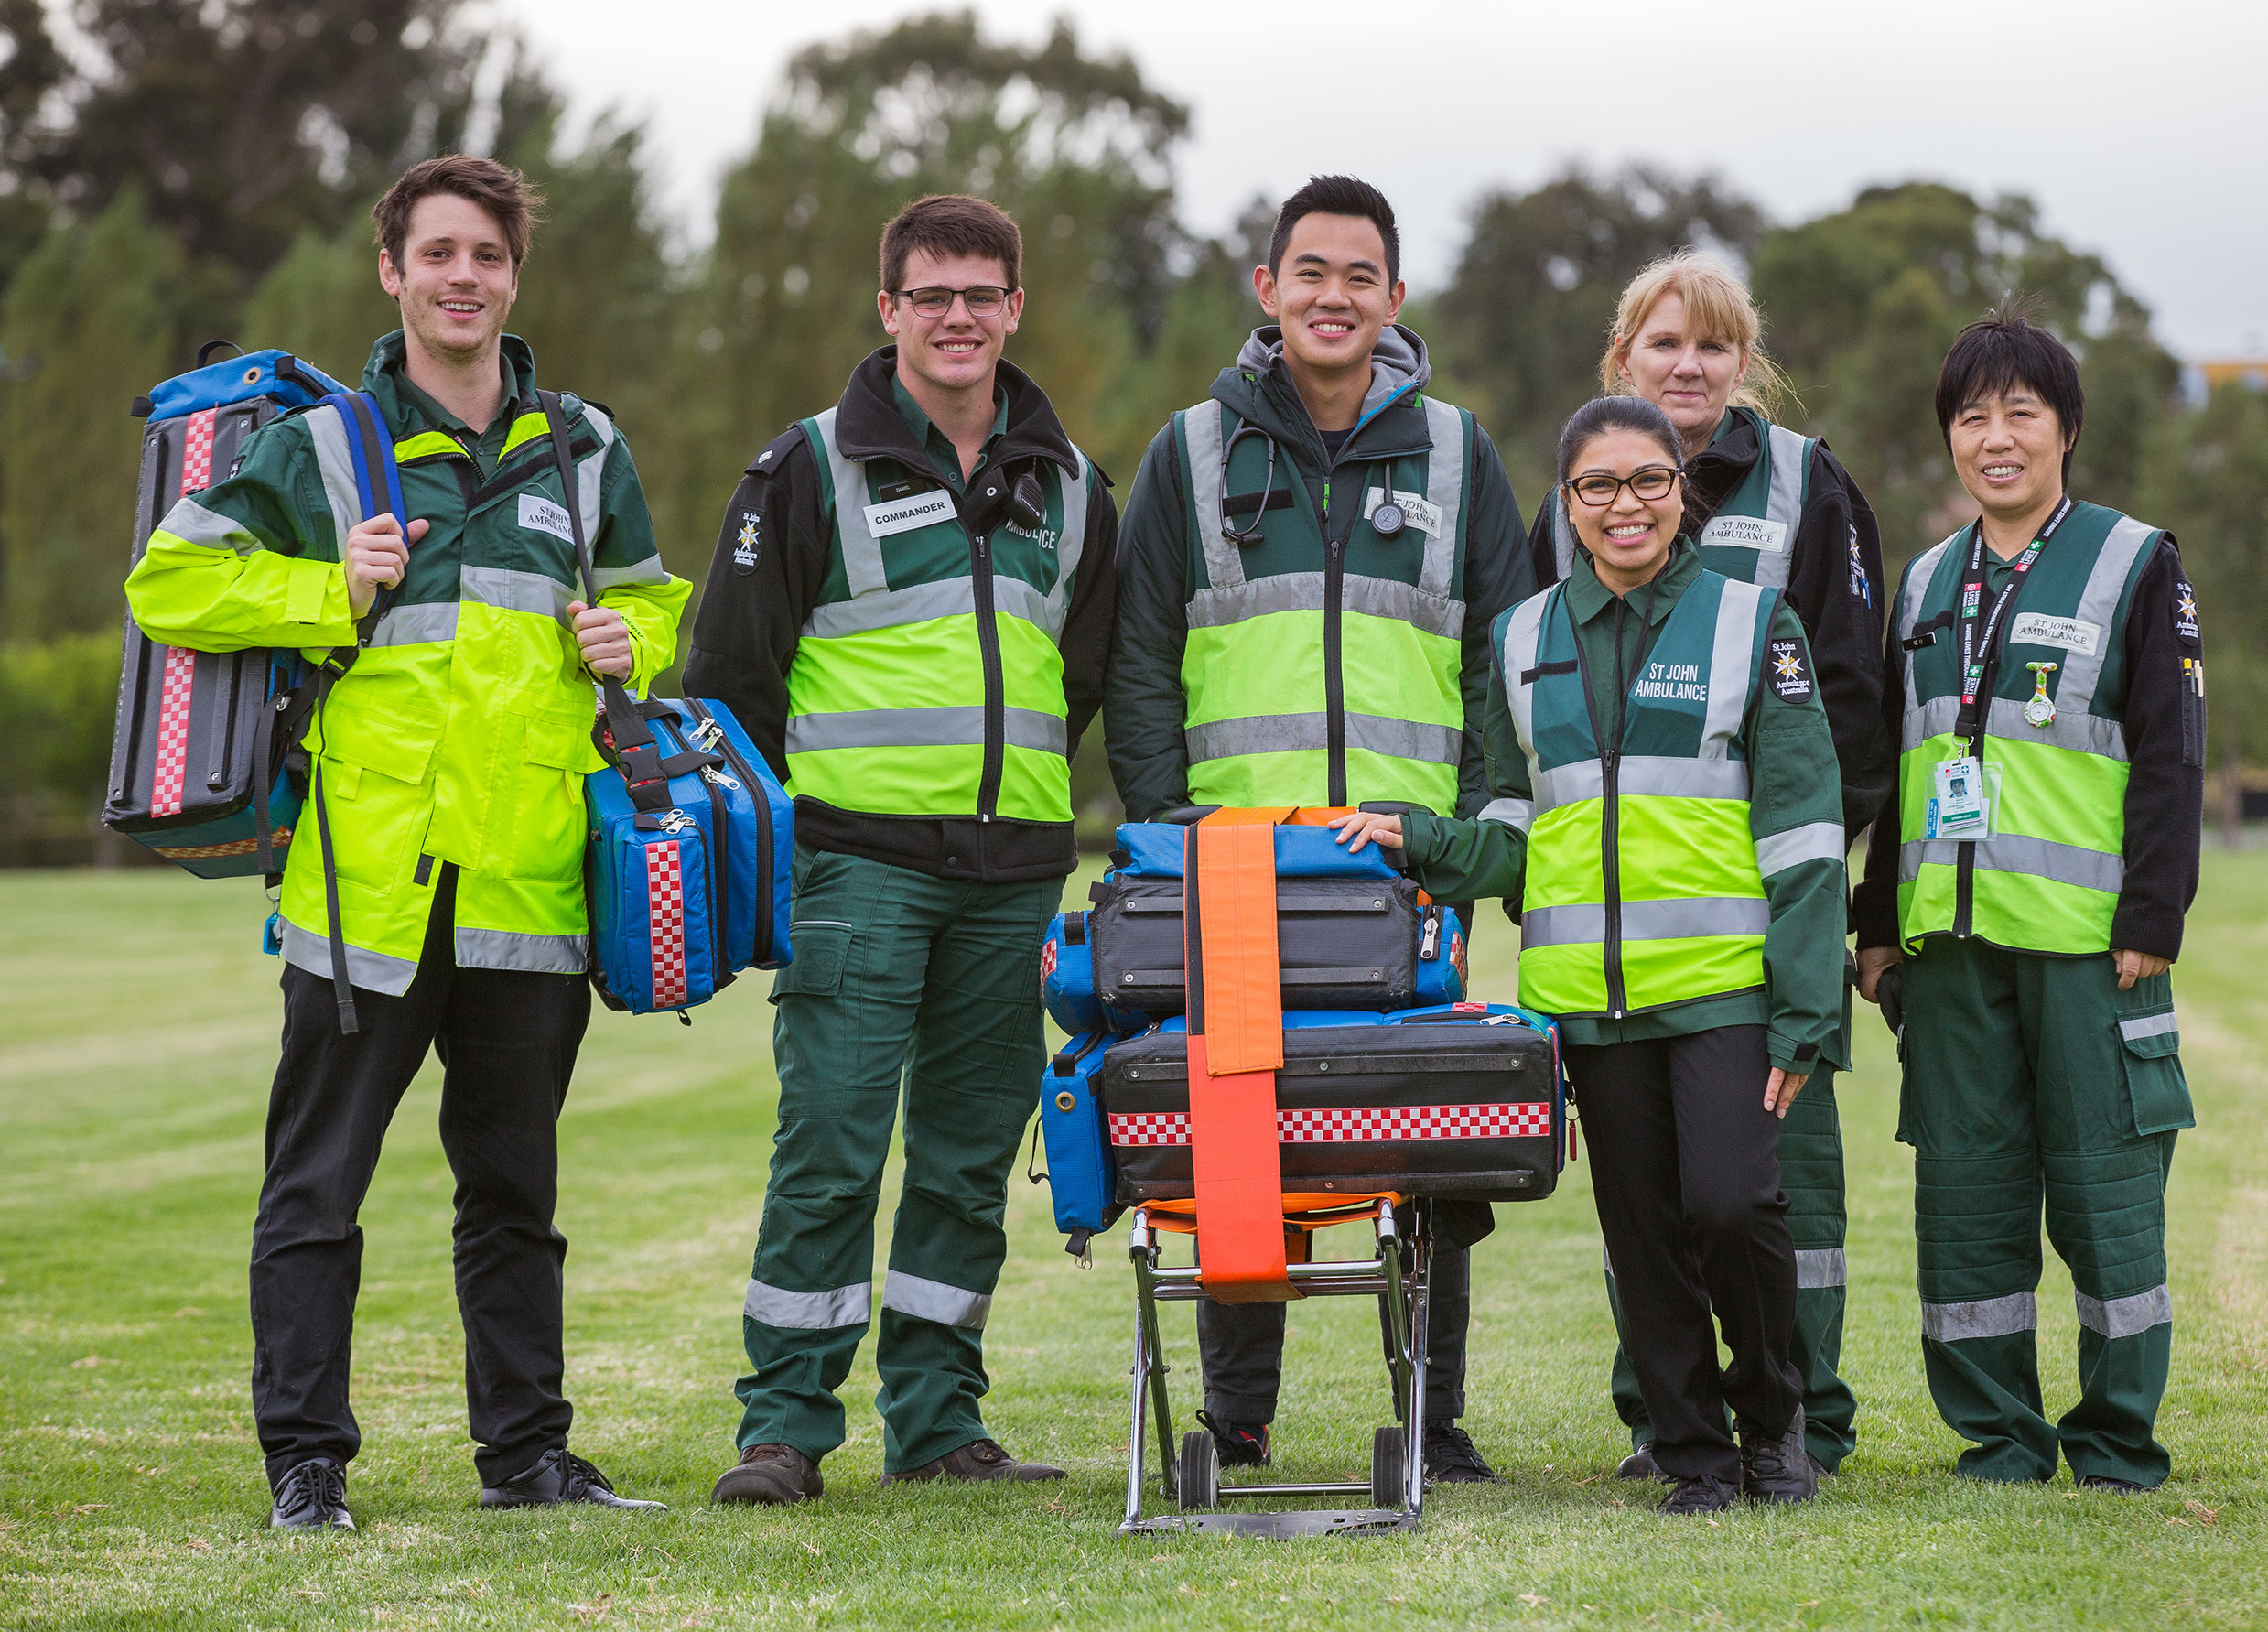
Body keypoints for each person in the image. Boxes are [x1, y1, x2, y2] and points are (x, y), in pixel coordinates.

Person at [125, 156, 687, 1529]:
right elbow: (170, 580)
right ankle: (305, 1463)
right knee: (316, 1191)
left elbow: (651, 598)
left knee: (515, 1195)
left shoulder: (583, 446)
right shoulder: (325, 444)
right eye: (437, 253)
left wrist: (634, 638)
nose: (462, 277)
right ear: (391, 271)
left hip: (527, 883)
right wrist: (332, 586)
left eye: (486, 255)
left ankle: (528, 1458)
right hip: (365, 886)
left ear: (515, 276)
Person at [684, 194, 1118, 1503]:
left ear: (1014, 309)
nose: (957, 316)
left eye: (981, 294)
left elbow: (1077, 678)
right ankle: (783, 1426)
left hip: (1014, 876)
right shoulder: (803, 468)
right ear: (888, 310)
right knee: (830, 1145)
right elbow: (729, 682)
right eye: (931, 294)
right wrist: (794, 844)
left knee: (969, 1160)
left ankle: (936, 1421)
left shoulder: (1073, 487)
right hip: (855, 869)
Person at [1337, 395, 1843, 1513]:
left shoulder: (1753, 623)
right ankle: (1693, 1455)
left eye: (1647, 480)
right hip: (1585, 1000)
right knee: (1642, 1237)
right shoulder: (1519, 638)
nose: (1625, 505)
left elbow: (1803, 830)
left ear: (1680, 492)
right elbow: (1513, 827)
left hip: (1721, 986)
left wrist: (1807, 1005)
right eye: (1597, 485)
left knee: (1733, 1205)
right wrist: (1419, 839)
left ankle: (1773, 1425)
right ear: (1566, 504)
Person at [1103, 176, 1533, 1482]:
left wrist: (1470, 829)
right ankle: (1236, 1417)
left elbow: (1503, 656)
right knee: (1242, 1135)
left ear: (1393, 298)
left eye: (1358, 276)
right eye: (1310, 272)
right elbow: (1138, 657)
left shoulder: (1457, 452)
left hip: (1407, 869)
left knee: (1431, 1132)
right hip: (1236, 872)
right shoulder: (1189, 450)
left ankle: (1432, 1417)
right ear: (1267, 289)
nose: (1332, 296)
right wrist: (1169, 831)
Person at [1529, 252, 1890, 1478]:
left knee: (1770, 1190)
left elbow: (1849, 700)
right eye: (1664, 343)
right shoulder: (1572, 493)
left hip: (1761, 921)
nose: (1687, 365)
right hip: (1618, 939)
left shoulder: (1804, 484)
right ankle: (1666, 1424)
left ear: (1746, 365)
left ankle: (1802, 1421)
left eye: (1713, 344)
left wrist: (1790, 882)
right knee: (1644, 1200)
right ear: (1620, 358)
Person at [1852, 306, 2202, 1491]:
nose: (1993, 437)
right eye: (1969, 416)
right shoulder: (1921, 581)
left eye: (2018, 412)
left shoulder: (2131, 560)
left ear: (2065, 429)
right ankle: (1997, 1435)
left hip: (2085, 945)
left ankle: (2113, 1437)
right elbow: (1902, 768)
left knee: (2108, 1195)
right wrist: (1874, 924)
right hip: (1948, 950)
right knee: (1965, 1195)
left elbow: (2171, 750)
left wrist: (2151, 915)